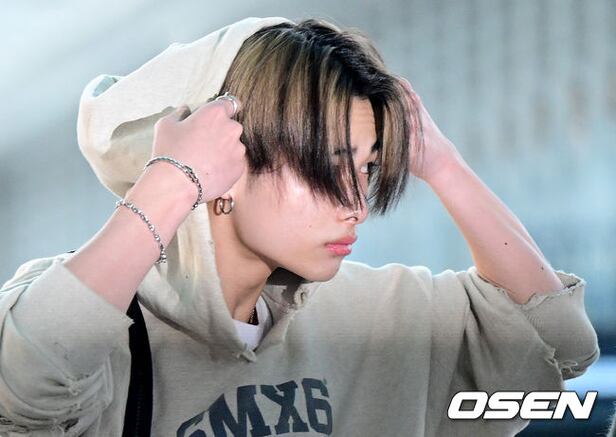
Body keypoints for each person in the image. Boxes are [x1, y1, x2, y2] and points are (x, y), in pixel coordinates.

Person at [0, 16, 600, 437]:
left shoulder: (370, 317)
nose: (357, 205)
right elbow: (21, 384)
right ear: (225, 160)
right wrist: (172, 183)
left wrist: (444, 165)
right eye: (328, 165)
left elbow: (553, 344)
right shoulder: (100, 325)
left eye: (367, 169)